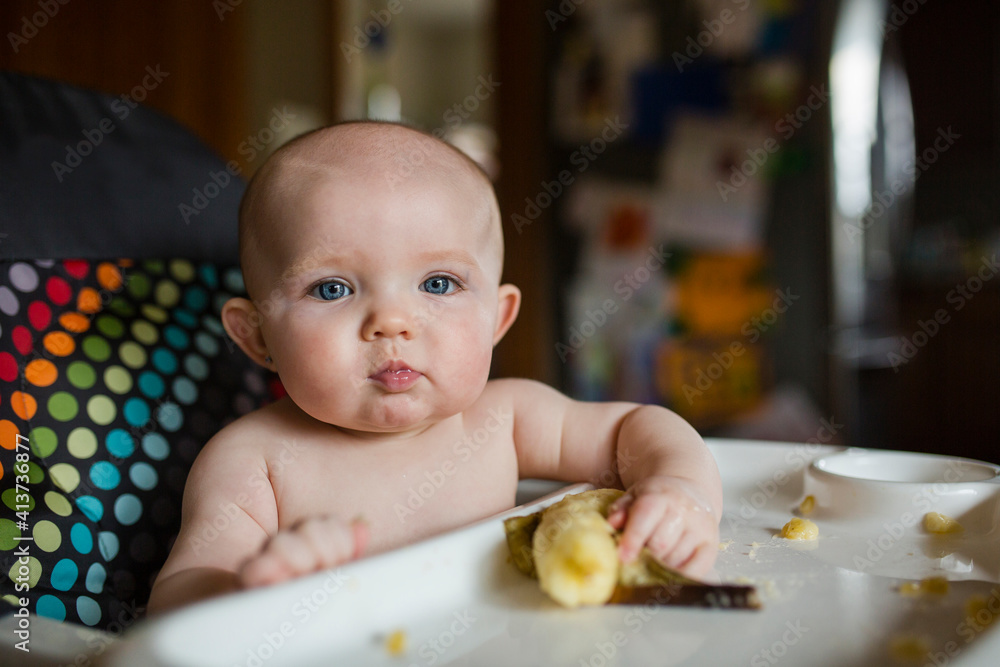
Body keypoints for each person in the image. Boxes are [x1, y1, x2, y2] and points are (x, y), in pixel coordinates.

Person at [147, 121, 722, 614]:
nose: (393, 322)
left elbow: (636, 431)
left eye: (438, 283)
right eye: (332, 288)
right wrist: (250, 595)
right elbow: (176, 597)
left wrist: (679, 492)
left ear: (496, 319)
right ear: (257, 336)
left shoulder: (507, 418)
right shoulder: (256, 462)